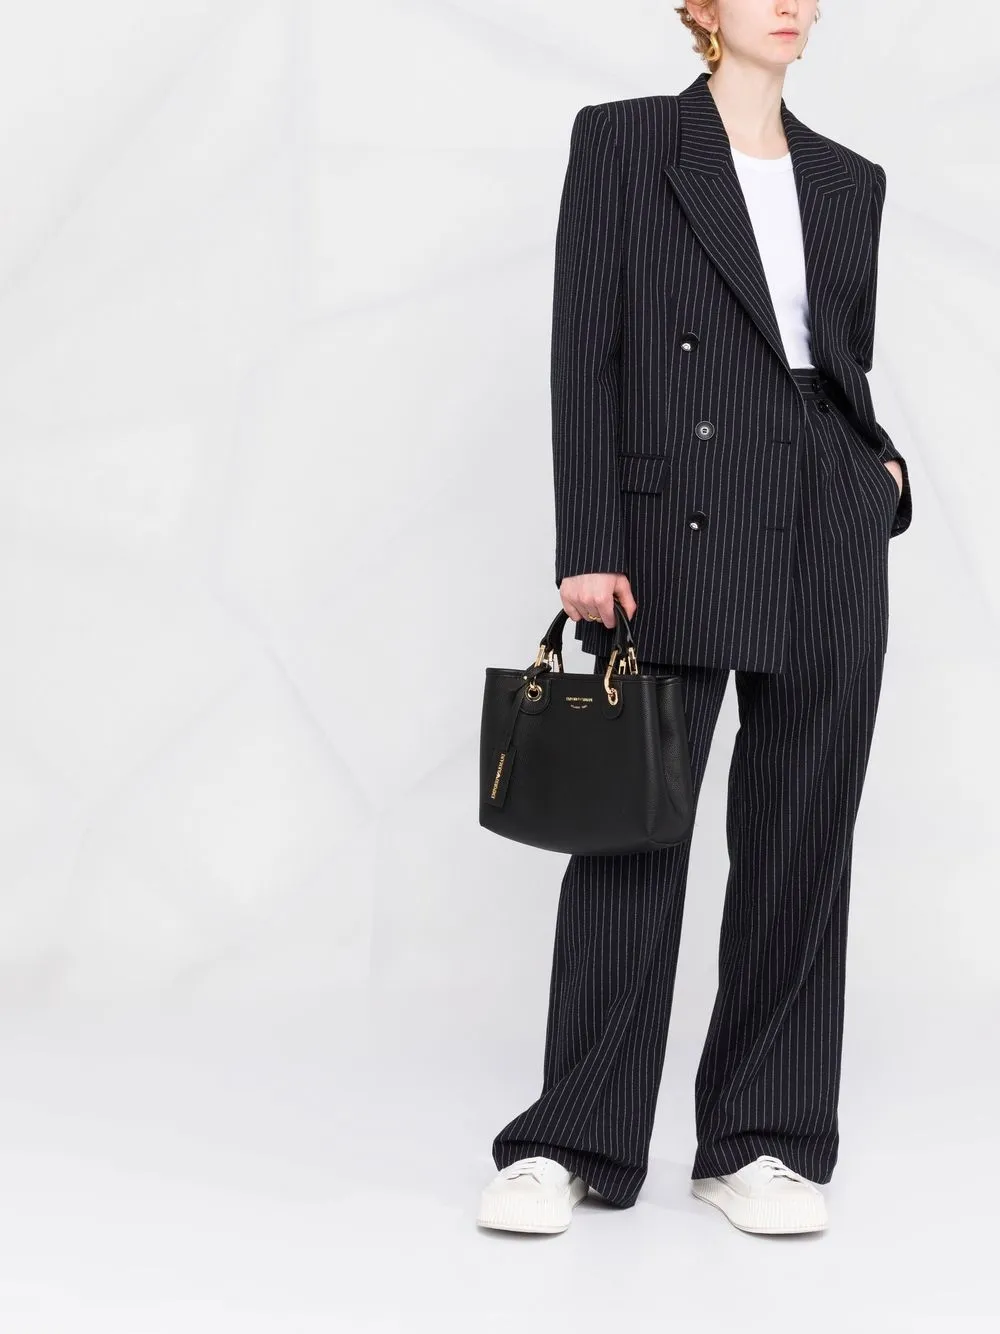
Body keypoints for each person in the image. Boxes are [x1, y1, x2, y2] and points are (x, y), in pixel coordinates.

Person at [477, 0, 912, 1237]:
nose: (793, 4)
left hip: (824, 520)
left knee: (802, 833)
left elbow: (833, 359)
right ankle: (569, 1139)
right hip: (675, 525)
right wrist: (589, 540)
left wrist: (878, 474)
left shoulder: (850, 180)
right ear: (703, 10)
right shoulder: (625, 141)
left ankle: (762, 1138)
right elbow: (586, 348)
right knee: (632, 826)